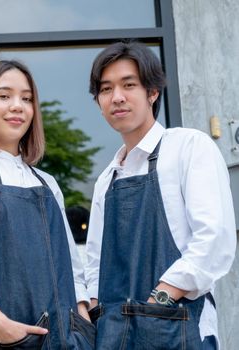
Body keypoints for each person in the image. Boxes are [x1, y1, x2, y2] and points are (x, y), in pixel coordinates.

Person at [85, 41, 237, 349]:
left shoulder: (187, 147)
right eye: (105, 89)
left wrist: (160, 300)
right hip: (114, 336)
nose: (117, 97)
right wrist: (95, 311)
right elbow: (94, 263)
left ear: (153, 92)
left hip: (176, 328)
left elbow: (214, 240)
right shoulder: (107, 178)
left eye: (129, 85)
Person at [0, 60, 95, 349]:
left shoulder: (47, 182)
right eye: (3, 96)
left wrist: (82, 322)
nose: (17, 106)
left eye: (26, 98)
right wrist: (1, 326)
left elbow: (72, 268)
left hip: (59, 338)